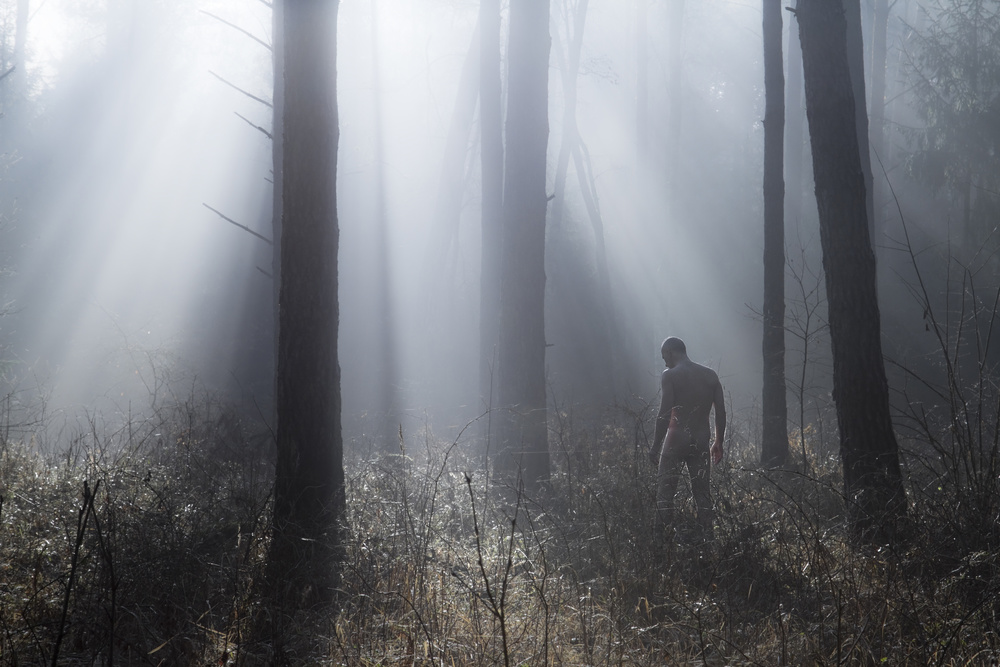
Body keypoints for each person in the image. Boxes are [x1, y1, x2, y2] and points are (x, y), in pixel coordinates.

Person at [648, 337, 726, 539]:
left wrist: (655, 446)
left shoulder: (670, 375)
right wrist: (719, 442)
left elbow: (665, 414)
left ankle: (660, 543)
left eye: (664, 356)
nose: (664, 362)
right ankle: (708, 541)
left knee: (665, 494)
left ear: (670, 352)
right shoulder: (710, 376)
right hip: (701, 441)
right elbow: (721, 413)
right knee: (703, 495)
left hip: (676, 440)